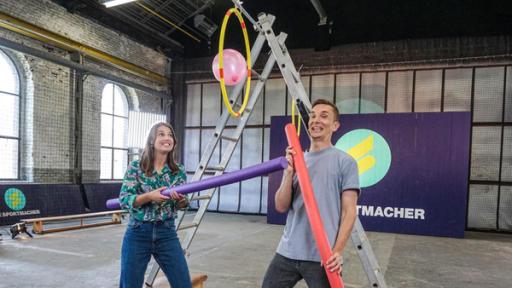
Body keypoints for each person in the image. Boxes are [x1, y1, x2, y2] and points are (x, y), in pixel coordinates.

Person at [262, 99, 360, 287]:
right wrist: (288, 173)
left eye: (324, 116)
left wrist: (337, 251)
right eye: (313, 116)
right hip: (288, 251)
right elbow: (281, 206)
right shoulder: (297, 160)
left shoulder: (345, 162)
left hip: (323, 255)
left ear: (335, 125)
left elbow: (349, 212)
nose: (316, 120)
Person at [119, 122, 191, 288]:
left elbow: (183, 203)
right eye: (161, 134)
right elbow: (124, 199)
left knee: (183, 283)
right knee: (129, 285)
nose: (167, 138)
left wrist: (181, 200)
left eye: (170, 135)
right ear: (152, 140)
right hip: (138, 233)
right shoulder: (136, 167)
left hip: (167, 233)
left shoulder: (178, 170)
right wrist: (149, 196)